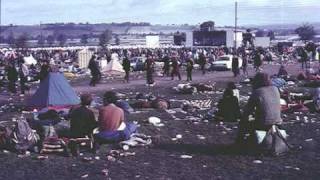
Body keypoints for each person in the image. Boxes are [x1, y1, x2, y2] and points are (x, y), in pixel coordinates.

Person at [237, 73, 282, 144]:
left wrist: (244, 119)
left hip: (264, 123)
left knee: (243, 124)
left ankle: (240, 143)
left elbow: (247, 111)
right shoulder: (275, 89)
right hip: (278, 121)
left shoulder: (257, 92)